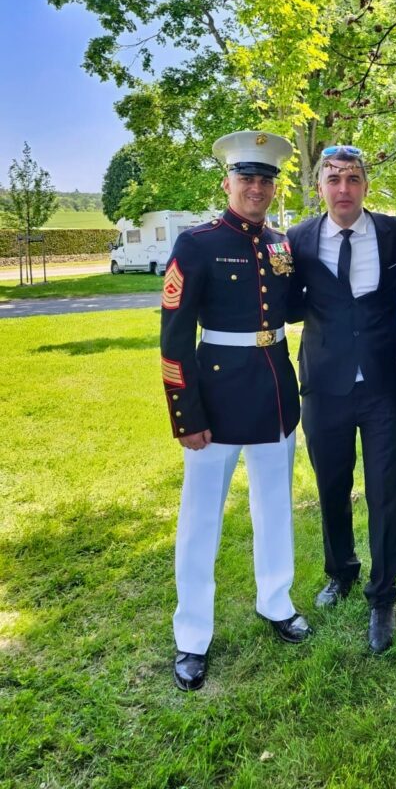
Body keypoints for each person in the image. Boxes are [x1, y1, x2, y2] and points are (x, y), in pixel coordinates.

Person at [160, 130, 311, 693]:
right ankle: (192, 636)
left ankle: (276, 602)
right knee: (201, 520)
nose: (256, 187)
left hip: (273, 389)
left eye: (266, 179)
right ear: (227, 182)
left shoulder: (279, 242)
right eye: (246, 177)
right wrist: (185, 413)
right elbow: (174, 337)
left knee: (275, 507)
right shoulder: (196, 244)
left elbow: (294, 303)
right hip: (215, 400)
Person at [288, 147, 396, 653]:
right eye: (333, 179)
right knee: (331, 486)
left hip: (383, 385)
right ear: (319, 186)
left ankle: (383, 596)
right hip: (323, 384)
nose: (343, 189)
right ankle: (341, 571)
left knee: (385, 492)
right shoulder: (295, 240)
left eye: (352, 179)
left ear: (365, 185)